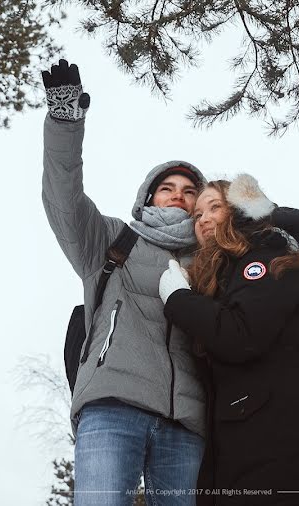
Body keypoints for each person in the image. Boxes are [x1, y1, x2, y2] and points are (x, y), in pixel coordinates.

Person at [41, 59, 206, 505]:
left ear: (201, 204)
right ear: (148, 197)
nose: (178, 194)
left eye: (190, 190)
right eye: (167, 187)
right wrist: (64, 121)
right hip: (112, 405)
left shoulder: (211, 261)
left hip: (187, 424)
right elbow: (64, 199)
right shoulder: (115, 241)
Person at [158, 175, 299, 505]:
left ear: (238, 213)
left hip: (282, 440)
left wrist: (178, 299)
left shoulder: (266, 259)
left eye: (214, 207)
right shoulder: (225, 277)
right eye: (197, 214)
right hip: (240, 445)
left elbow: (240, 335)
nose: (202, 218)